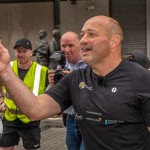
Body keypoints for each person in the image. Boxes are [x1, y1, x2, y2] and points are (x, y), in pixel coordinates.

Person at [0, 15, 150, 150]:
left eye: (91, 34)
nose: (83, 40)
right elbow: (35, 110)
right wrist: (5, 70)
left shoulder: (141, 79)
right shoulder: (74, 79)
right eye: (82, 35)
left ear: (114, 41)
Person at [0, 38, 48, 150]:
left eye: (24, 51)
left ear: (31, 52)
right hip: (10, 118)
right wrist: (1, 99)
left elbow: (50, 92)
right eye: (18, 51)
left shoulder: (42, 71)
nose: (21, 54)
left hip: (30, 120)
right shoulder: (7, 67)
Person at [48, 31, 86, 150]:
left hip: (88, 119)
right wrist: (52, 84)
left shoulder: (89, 64)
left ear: (79, 44)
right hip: (70, 119)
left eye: (71, 45)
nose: (66, 49)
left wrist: (75, 80)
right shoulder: (61, 67)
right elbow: (50, 97)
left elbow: (95, 90)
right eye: (63, 46)